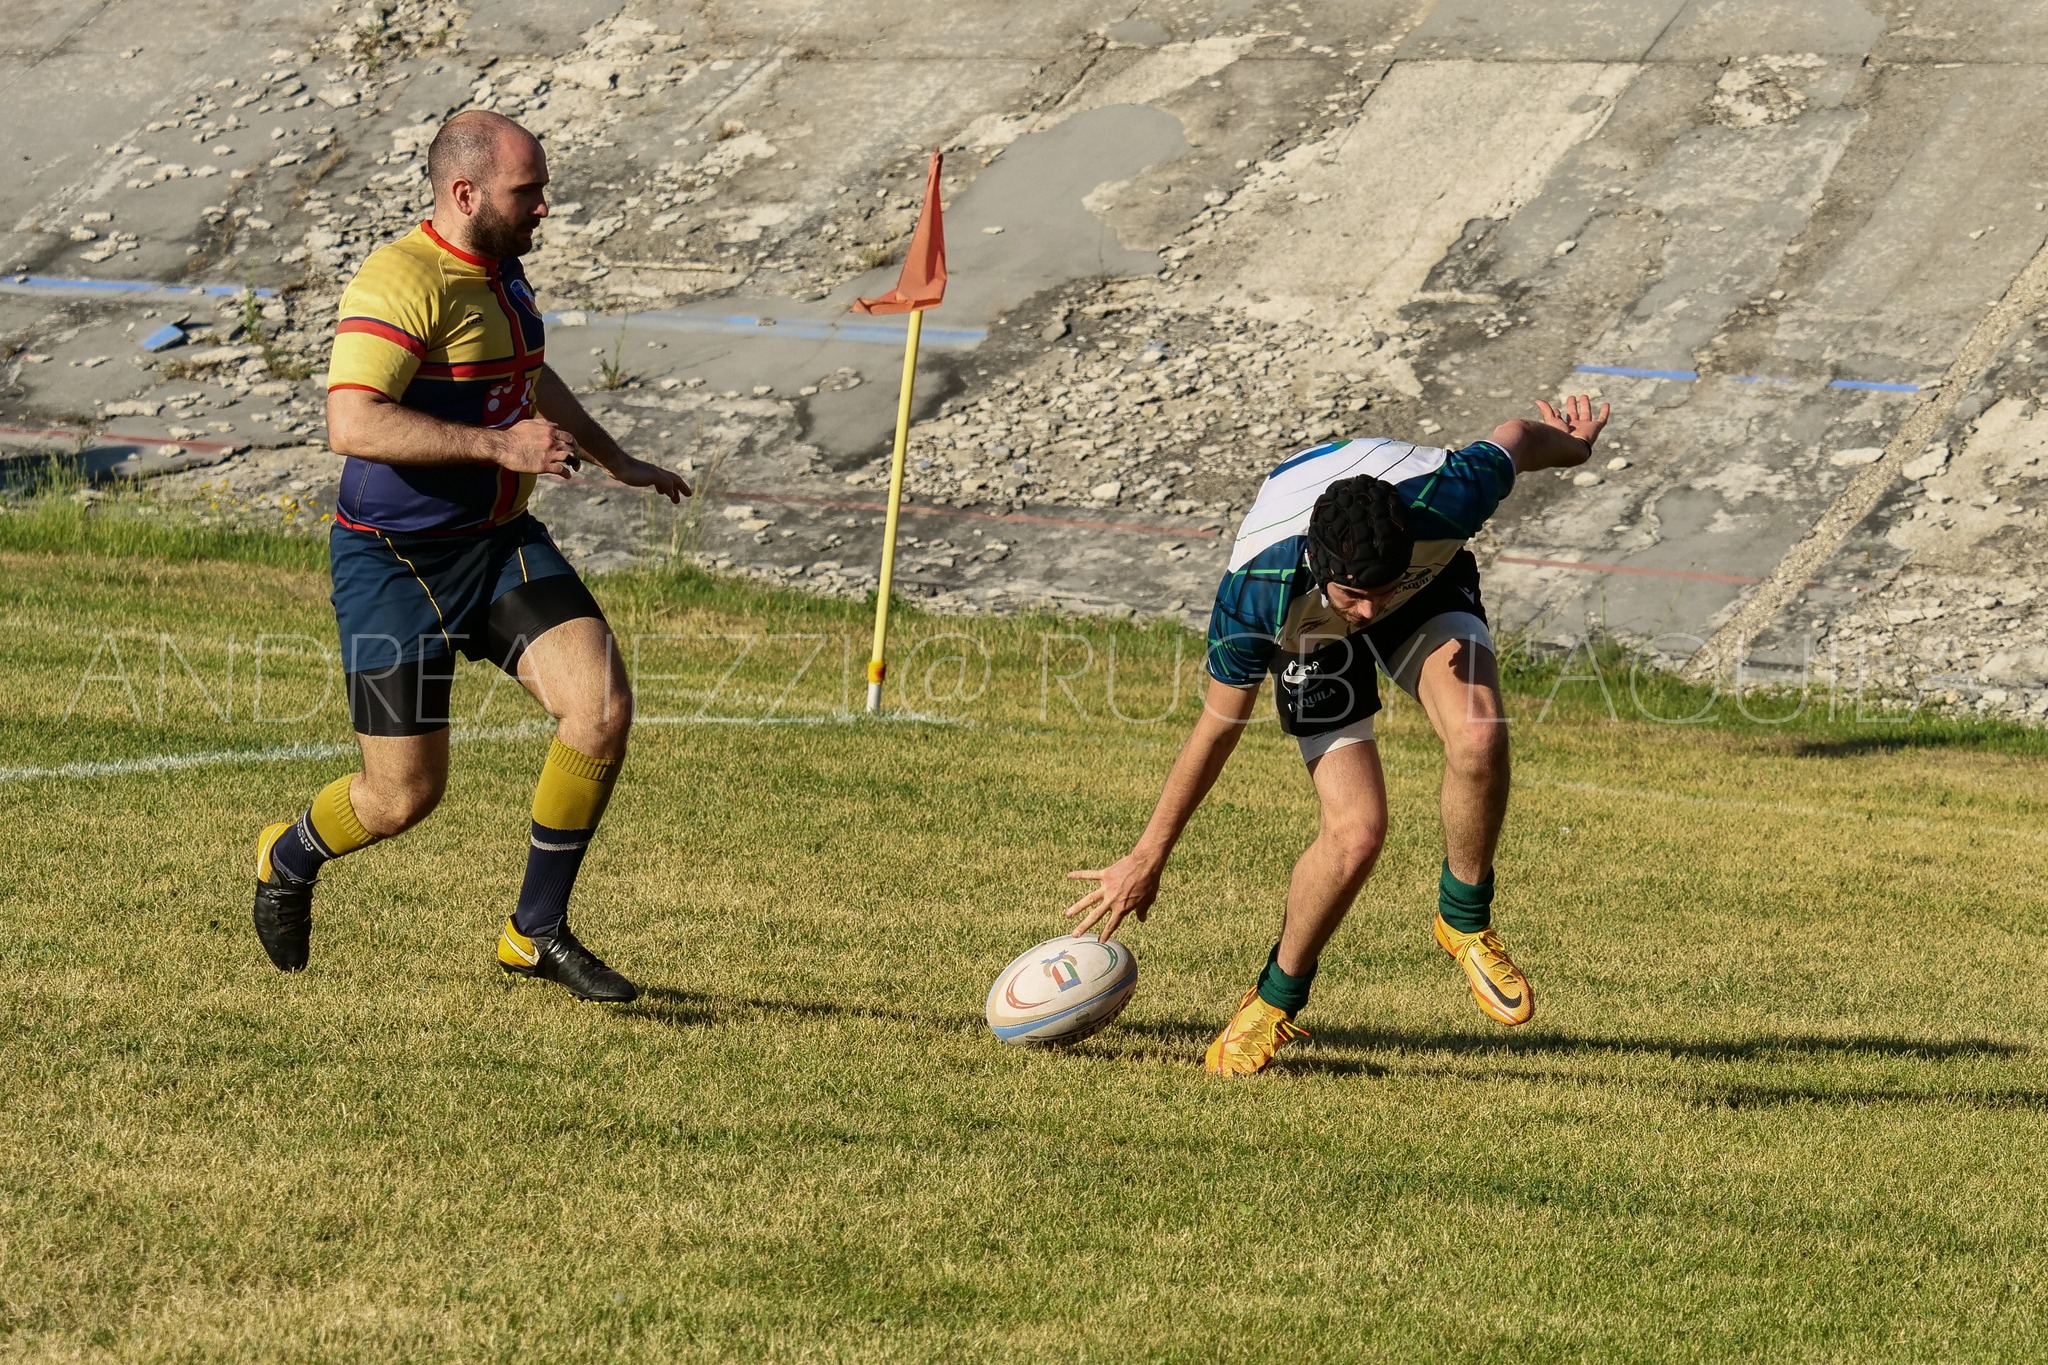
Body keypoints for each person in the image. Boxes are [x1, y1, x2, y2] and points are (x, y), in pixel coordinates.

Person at [250, 110, 689, 1001]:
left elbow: (528, 374)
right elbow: (352, 420)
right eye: (529, 192)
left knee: (600, 708)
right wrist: (501, 449)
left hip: (496, 547)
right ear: (466, 193)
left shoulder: (502, 272)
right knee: (401, 799)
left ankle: (534, 930)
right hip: (392, 567)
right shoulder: (400, 280)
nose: (543, 207)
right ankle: (287, 853)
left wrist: (616, 459)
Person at [1064, 396, 1611, 1074]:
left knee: (1479, 737)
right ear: (1321, 569)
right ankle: (1271, 1004)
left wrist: (1576, 448)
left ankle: (1464, 917)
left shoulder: (1447, 496)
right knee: (1357, 832)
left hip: (1425, 577)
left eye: (1377, 593)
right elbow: (1215, 730)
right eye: (1356, 596)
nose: (1369, 613)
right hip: (1309, 625)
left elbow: (1519, 437)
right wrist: (1148, 854)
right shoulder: (1259, 590)